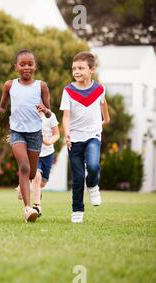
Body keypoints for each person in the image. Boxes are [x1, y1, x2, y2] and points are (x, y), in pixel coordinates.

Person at [0, 49, 51, 223]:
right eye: (22, 64)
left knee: (31, 174)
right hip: (16, 132)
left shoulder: (41, 86)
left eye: (30, 64)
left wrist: (45, 110)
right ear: (16, 66)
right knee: (23, 167)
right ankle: (27, 208)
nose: (26, 67)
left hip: (35, 134)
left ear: (35, 66)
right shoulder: (9, 85)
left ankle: (22, 187)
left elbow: (48, 113)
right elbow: (3, 107)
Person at [60, 51, 110, 223]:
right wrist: (66, 132)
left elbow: (104, 107)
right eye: (74, 68)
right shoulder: (68, 91)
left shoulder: (99, 89)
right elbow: (66, 116)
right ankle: (77, 211)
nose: (76, 71)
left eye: (81, 68)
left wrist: (105, 120)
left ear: (91, 70)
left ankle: (93, 185)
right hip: (74, 139)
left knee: (94, 166)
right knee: (77, 177)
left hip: (93, 136)